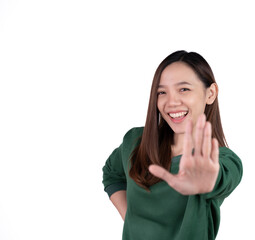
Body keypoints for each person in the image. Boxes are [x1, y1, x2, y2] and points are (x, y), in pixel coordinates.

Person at [102, 50, 243, 240]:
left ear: (210, 94)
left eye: (183, 89)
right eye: (162, 92)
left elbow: (225, 175)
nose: (172, 102)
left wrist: (206, 181)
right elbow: (112, 173)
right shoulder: (136, 141)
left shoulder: (220, 159)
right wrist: (130, 219)